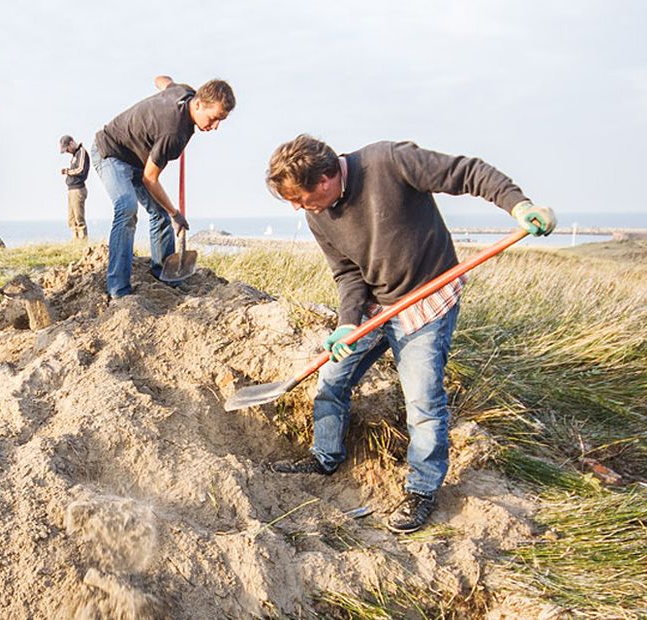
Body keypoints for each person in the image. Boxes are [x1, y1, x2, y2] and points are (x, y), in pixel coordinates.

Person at [264, 134, 556, 533]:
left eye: (300, 197)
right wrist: (348, 323)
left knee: (422, 400)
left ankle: (421, 490)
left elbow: (466, 172)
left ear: (327, 177)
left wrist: (518, 205)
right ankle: (325, 456)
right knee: (332, 378)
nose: (298, 208)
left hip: (428, 300)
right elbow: (348, 273)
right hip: (375, 306)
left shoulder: (389, 161)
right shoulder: (318, 214)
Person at [91, 75, 235, 298]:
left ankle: (164, 275)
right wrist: (175, 213)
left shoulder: (183, 91)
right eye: (214, 118)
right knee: (127, 207)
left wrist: (162, 91)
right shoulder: (173, 133)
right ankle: (118, 289)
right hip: (110, 152)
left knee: (158, 213)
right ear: (198, 104)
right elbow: (150, 179)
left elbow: (162, 80)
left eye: (221, 121)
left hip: (137, 158)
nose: (215, 126)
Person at [59, 135, 90, 241]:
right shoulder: (74, 155)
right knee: (71, 218)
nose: (67, 151)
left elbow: (81, 169)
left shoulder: (81, 152)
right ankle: (76, 239)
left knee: (79, 217)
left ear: (71, 143)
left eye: (67, 148)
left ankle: (82, 240)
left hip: (78, 189)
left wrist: (67, 171)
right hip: (71, 189)